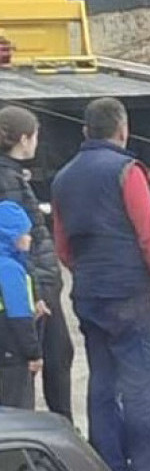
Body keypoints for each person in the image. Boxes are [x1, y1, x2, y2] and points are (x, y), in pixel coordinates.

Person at [50, 98, 150, 471]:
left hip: (89, 295)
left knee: (103, 383)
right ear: (123, 130)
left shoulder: (63, 178)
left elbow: (63, 246)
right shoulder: (127, 171)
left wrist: (90, 274)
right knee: (143, 387)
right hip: (130, 297)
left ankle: (105, 462)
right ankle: (148, 464)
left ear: (84, 132)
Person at [0, 106, 74, 423]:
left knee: (54, 355)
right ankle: (57, 429)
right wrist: (37, 291)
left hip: (34, 282)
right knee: (41, 360)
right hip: (32, 285)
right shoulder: (8, 180)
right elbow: (17, 242)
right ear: (24, 139)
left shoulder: (12, 174)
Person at [0, 201, 40, 410]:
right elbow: (19, 315)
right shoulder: (10, 268)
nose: (29, 237)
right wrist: (33, 353)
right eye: (25, 232)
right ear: (12, 235)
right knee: (17, 411)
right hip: (12, 352)